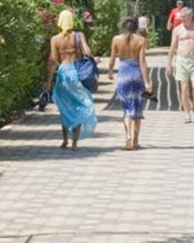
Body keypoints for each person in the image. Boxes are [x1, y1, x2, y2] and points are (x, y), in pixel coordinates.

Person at [44, 9, 97, 150]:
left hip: (63, 75)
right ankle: (75, 142)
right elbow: (88, 52)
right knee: (78, 106)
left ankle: (65, 140)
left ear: (60, 22)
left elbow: (53, 61)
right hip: (77, 74)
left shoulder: (54, 39)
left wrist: (48, 83)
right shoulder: (78, 36)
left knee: (65, 108)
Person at [108, 17, 153, 150]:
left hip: (123, 75)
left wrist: (110, 73)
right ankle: (136, 141)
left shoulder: (116, 39)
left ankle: (127, 134)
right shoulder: (141, 40)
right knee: (137, 107)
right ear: (136, 26)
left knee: (127, 108)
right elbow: (143, 62)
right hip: (136, 75)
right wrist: (147, 81)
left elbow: (111, 60)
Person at [167, 7, 194, 123]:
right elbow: (172, 47)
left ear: (190, 16)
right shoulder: (177, 30)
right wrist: (169, 64)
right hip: (181, 61)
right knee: (184, 88)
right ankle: (187, 114)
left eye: (183, 17)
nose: (181, 19)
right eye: (181, 17)